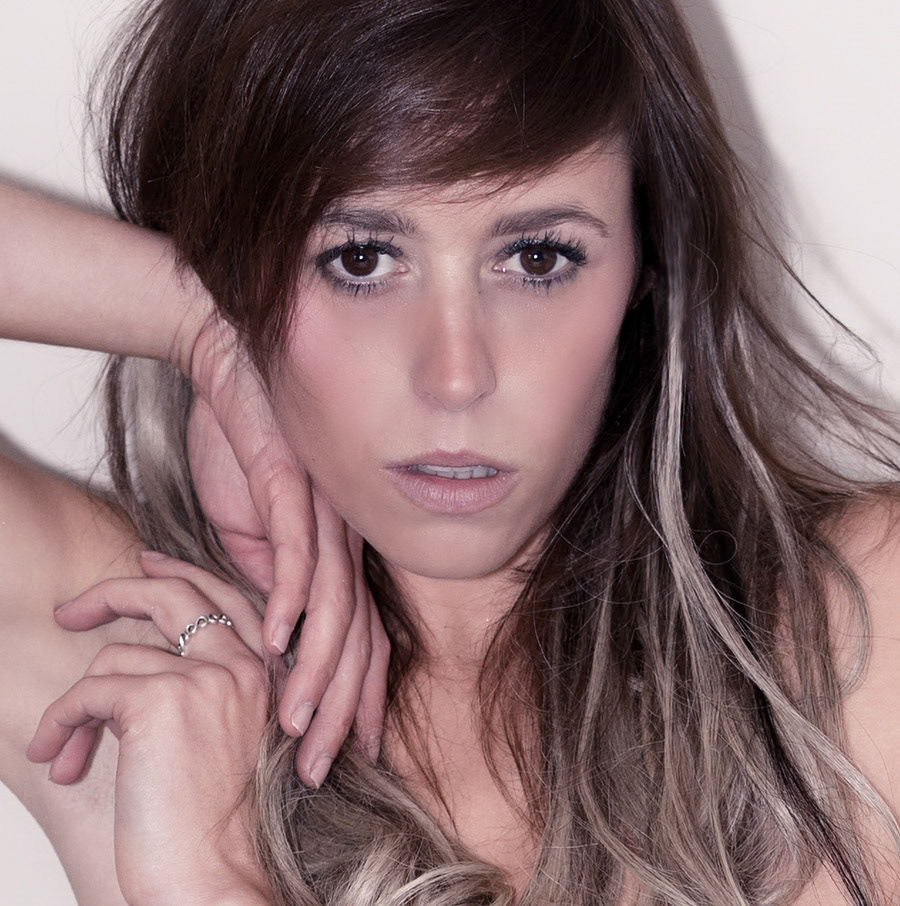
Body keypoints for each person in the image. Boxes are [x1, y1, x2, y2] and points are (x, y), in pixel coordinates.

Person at [2, 0, 900, 904]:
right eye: (359, 260)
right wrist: (200, 324)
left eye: (538, 259)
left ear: (648, 264)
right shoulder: (143, 661)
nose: (457, 375)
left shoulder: (858, 634)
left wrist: (210, 886)